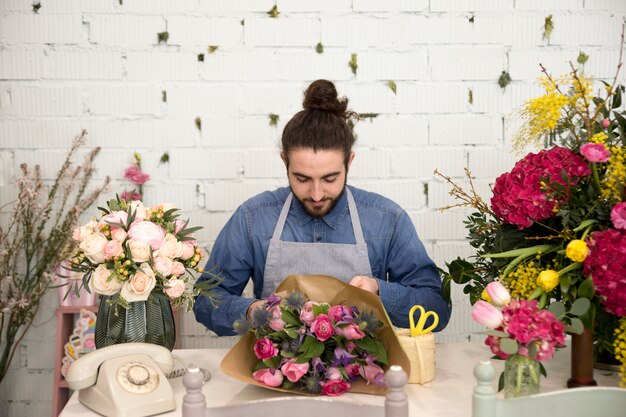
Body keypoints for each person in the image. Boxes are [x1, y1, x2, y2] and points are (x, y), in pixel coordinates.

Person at [194, 79, 451, 336]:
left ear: (349, 162)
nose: (316, 194)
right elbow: (206, 300)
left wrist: (379, 291)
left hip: (364, 370)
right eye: (302, 179)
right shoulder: (253, 218)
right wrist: (254, 311)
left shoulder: (387, 219)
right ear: (285, 162)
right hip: (275, 369)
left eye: (330, 178)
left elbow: (436, 308)